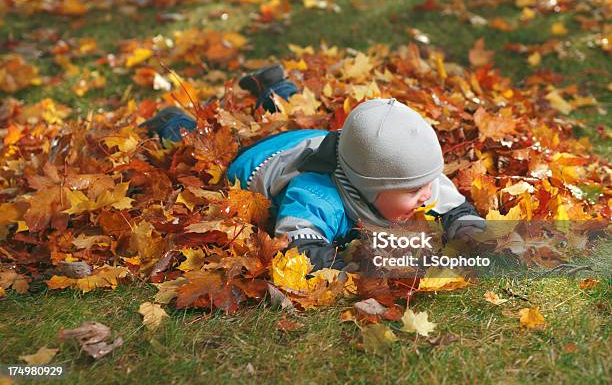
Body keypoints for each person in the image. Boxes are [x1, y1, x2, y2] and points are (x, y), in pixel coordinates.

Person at [141, 65, 485, 271]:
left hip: (319, 139)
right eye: (414, 190)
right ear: (368, 186)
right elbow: (299, 247)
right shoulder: (316, 194)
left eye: (428, 181)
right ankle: (173, 124)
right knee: (203, 143)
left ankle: (275, 86)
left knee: (280, 115)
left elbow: (457, 209)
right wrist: (358, 267)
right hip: (258, 159)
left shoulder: (411, 178)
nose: (428, 192)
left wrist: (471, 232)